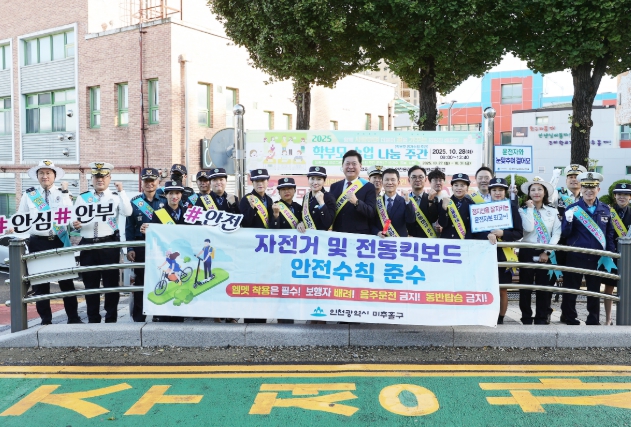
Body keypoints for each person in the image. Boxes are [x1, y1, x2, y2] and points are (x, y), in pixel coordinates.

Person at [10, 160, 82, 325]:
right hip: (38, 242)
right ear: (37, 176)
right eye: (41, 173)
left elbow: (70, 217)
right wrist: (13, 228)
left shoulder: (63, 193)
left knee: (66, 282)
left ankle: (73, 318)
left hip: (59, 240)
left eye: (48, 173)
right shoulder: (29, 195)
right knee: (40, 284)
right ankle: (45, 320)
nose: (45, 176)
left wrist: (66, 194)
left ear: (54, 176)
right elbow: (21, 218)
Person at [72, 162, 132, 323]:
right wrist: (74, 224)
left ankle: (111, 318)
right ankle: (93, 318)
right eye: (97, 177)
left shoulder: (115, 196)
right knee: (90, 284)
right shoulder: (83, 197)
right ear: (92, 178)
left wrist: (122, 191)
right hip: (87, 243)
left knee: (111, 283)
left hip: (108, 243)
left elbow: (128, 212)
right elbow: (73, 219)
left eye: (104, 177)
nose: (100, 180)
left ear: (109, 178)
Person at [561, 172, 615, 325]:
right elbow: (565, 234)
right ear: (581, 189)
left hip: (597, 256)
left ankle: (593, 319)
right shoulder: (573, 208)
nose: (588, 191)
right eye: (585, 188)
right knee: (571, 288)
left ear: (598, 189)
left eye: (592, 188)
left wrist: (610, 253)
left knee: (594, 290)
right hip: (576, 254)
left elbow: (609, 233)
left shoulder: (605, 209)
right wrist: (568, 221)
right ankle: (570, 317)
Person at [474, 178, 523, 324]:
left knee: (502, 288)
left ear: (505, 192)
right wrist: (487, 235)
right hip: (485, 254)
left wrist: (503, 233)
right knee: (484, 287)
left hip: (504, 254)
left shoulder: (512, 208)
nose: (497, 193)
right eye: (494, 190)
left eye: (501, 190)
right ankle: (484, 314)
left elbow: (519, 233)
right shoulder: (481, 208)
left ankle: (500, 317)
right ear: (489, 192)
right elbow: (474, 231)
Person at [518, 177, 562, 325]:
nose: (536, 192)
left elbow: (557, 233)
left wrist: (547, 252)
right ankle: (526, 317)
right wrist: (530, 209)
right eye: (533, 190)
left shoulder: (552, 211)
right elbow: (528, 228)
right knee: (525, 287)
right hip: (527, 251)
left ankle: (541, 317)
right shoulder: (522, 211)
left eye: (539, 189)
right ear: (529, 193)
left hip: (546, 252)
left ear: (545, 193)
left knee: (544, 287)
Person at [146, 179, 190, 322]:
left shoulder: (189, 213)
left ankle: (179, 312)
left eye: (177, 193)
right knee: (165, 280)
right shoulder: (159, 213)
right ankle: (162, 313)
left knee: (180, 282)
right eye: (171, 193)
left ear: (181, 195)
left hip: (183, 256)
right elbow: (154, 235)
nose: (174, 196)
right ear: (166, 195)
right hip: (164, 255)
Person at [125, 167, 164, 322]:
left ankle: (159, 313)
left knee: (161, 278)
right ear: (141, 182)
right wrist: (130, 248)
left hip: (161, 247)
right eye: (146, 181)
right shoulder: (135, 202)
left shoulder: (164, 200)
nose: (149, 184)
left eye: (152, 180)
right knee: (141, 281)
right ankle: (139, 315)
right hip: (141, 246)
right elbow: (129, 227)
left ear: (158, 181)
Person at [239, 169, 274, 323]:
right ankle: (249, 318)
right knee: (251, 282)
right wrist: (252, 209)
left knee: (264, 282)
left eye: (263, 180)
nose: (260, 184)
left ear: (267, 182)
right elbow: (244, 223)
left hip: (266, 249)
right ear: (252, 182)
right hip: (251, 248)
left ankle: (262, 317)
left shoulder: (270, 200)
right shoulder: (246, 199)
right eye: (257, 181)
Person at [603, 183, 631, 325]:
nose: (622, 197)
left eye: (625, 194)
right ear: (615, 196)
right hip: (612, 255)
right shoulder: (608, 212)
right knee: (609, 287)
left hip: (629, 257)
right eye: (619, 194)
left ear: (630, 197)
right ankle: (608, 319)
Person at [329, 150, 376, 234]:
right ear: (342, 166)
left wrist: (357, 203)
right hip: (338, 234)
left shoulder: (369, 187)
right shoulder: (334, 186)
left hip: (359, 235)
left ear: (360, 166)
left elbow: (371, 212)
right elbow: (330, 211)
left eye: (354, 164)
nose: (350, 167)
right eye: (347, 164)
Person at [371, 168, 414, 237]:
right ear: (382, 182)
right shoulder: (376, 201)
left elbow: (411, 220)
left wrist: (407, 202)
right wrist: (377, 232)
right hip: (380, 240)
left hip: (399, 241)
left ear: (398, 182)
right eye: (387, 180)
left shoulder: (405, 201)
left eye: (393, 180)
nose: (390, 182)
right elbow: (370, 223)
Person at [406, 165, 439, 238]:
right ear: (409, 180)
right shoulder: (404, 200)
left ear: (425, 179)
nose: (417, 180)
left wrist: (430, 201)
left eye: (420, 177)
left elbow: (433, 218)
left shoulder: (433, 198)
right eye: (414, 177)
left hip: (427, 240)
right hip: (409, 240)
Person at [438, 173, 474, 239]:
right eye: (456, 185)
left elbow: (471, 227)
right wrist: (444, 208)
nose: (459, 188)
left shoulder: (471, 204)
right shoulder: (444, 201)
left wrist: (467, 241)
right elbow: (442, 223)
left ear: (467, 188)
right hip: (447, 240)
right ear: (452, 187)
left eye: (462, 185)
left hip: (464, 241)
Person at [301, 166, 336, 231]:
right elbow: (303, 216)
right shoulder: (306, 197)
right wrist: (301, 222)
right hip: (307, 235)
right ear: (308, 180)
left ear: (324, 181)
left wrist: (321, 203)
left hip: (322, 236)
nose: (315, 182)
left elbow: (328, 223)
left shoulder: (329, 197)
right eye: (312, 178)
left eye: (319, 179)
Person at [428, 168, 446, 236]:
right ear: (430, 182)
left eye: (440, 180)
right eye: (435, 180)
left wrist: (443, 226)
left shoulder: (448, 199)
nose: (438, 183)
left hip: (444, 236)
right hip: (427, 236)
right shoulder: (424, 198)